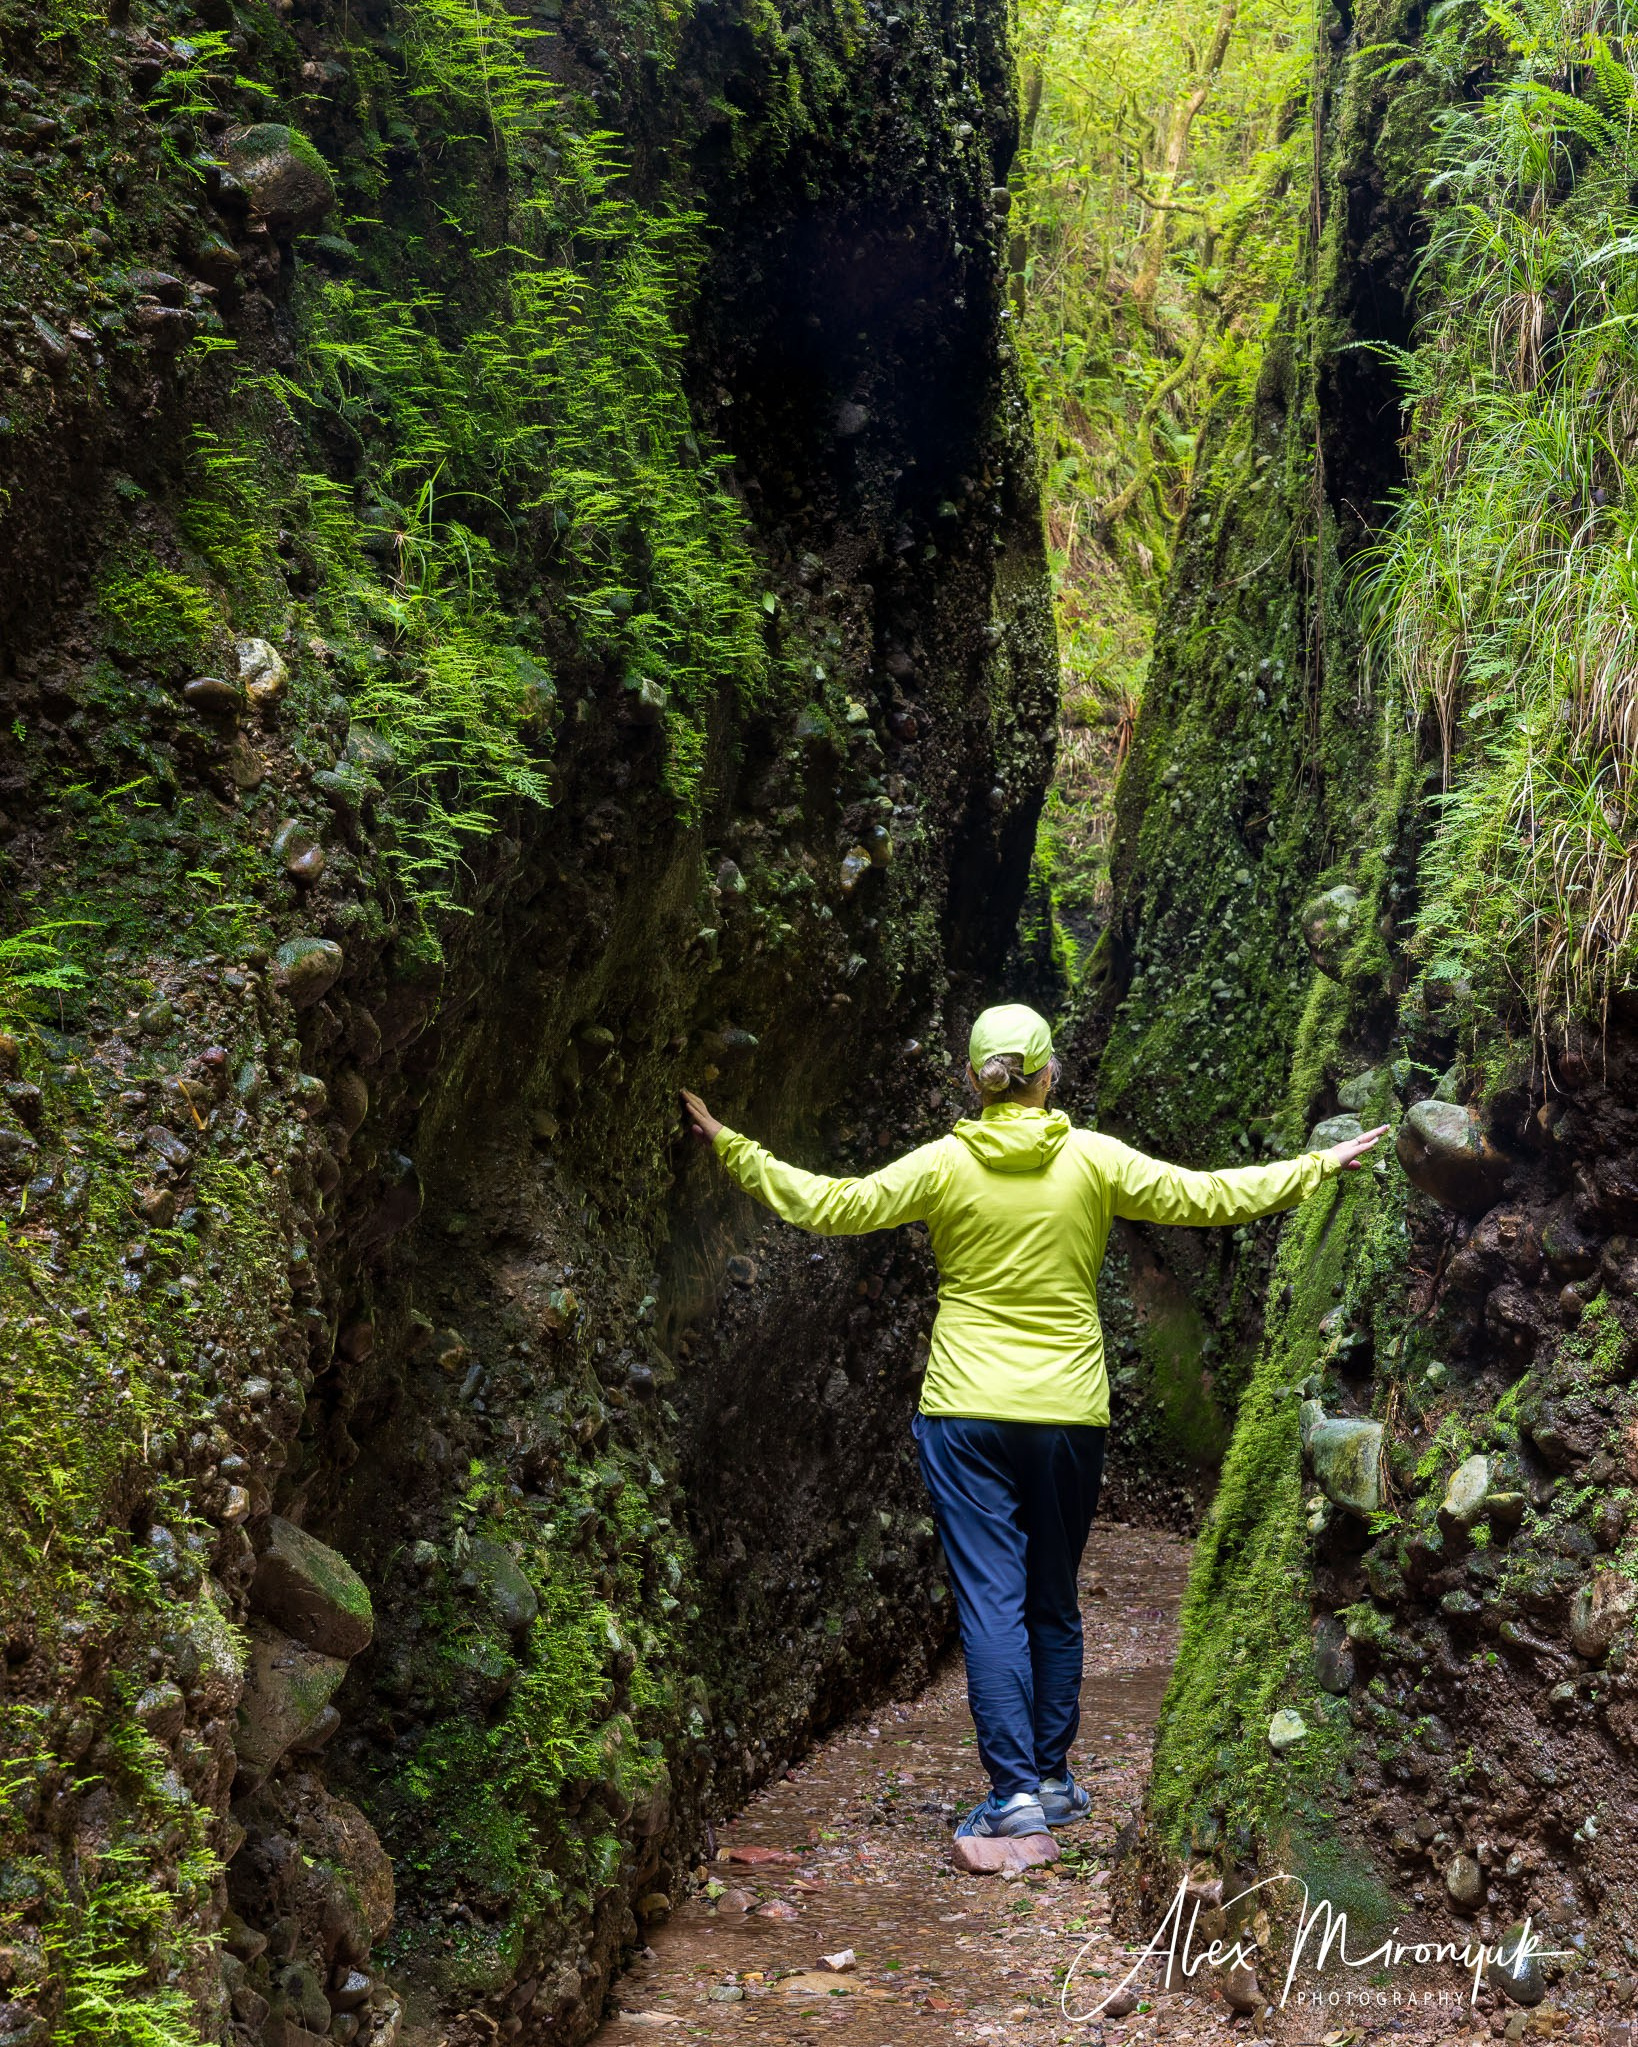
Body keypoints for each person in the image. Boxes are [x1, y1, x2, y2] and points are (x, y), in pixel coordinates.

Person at [681, 1002, 1386, 1843]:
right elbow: (1210, 1197)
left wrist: (734, 1145)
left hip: (965, 1409)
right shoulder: (1092, 1159)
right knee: (1052, 1598)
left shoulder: (943, 1165)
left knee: (990, 1602)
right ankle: (1050, 1780)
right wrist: (1318, 1164)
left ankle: (1012, 1792)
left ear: (971, 1080)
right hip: (1066, 1414)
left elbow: (833, 1204)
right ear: (1051, 1074)